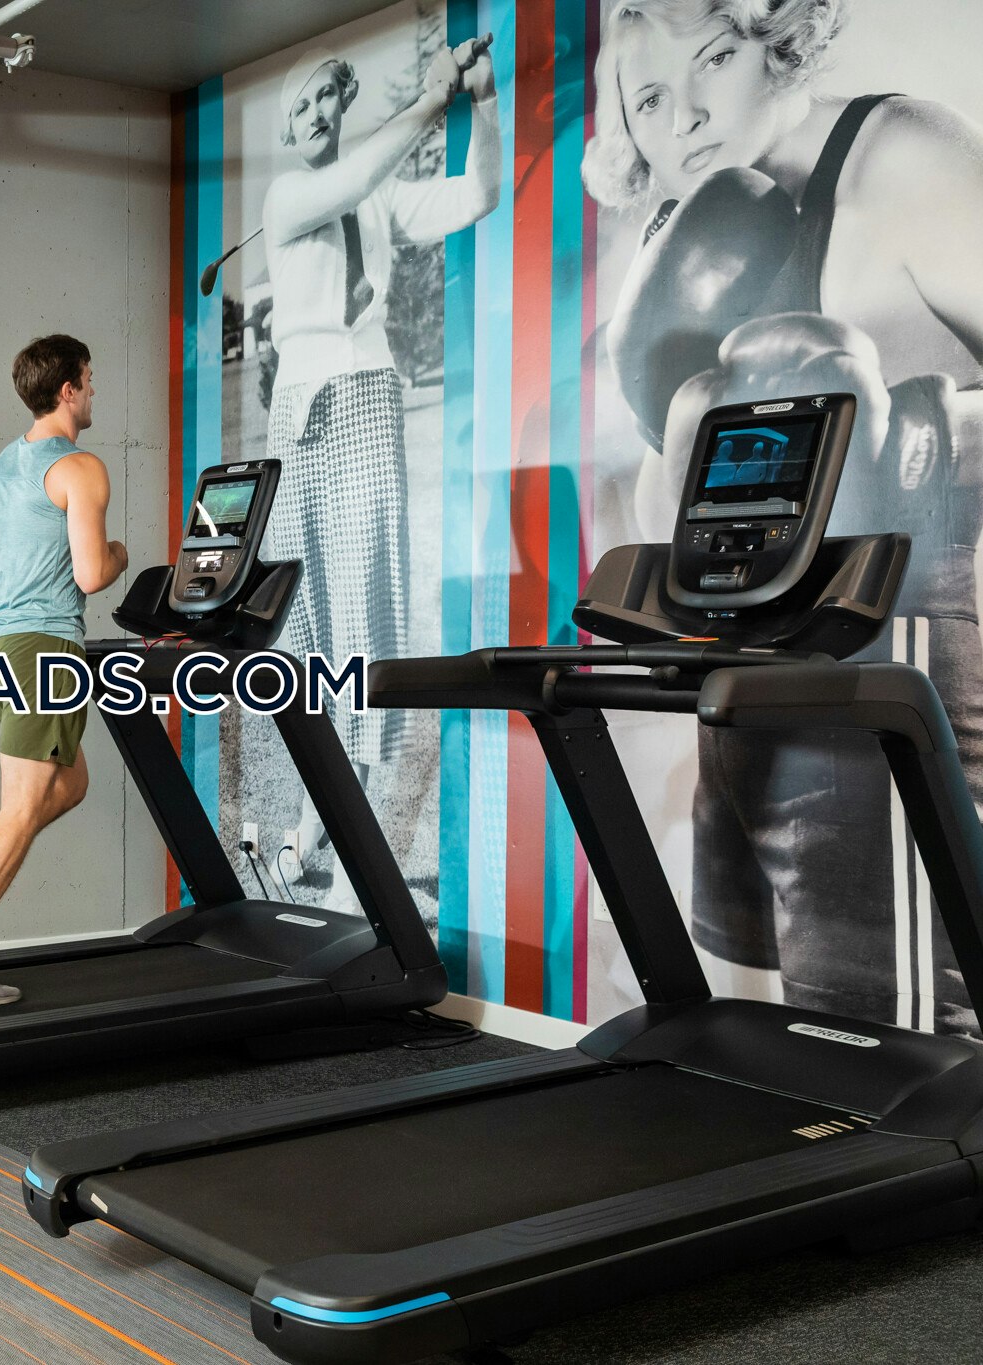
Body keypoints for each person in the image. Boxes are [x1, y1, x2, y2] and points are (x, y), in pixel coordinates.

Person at [586, 0, 983, 1032]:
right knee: (749, 1021)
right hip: (748, 681)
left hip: (888, 667)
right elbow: (666, 511)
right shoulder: (695, 231)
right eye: (648, 100)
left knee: (889, 1038)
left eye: (714, 58)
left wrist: (908, 429)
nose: (683, 117)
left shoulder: (897, 154)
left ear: (773, 44)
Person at [255, 32, 499, 894]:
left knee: (365, 623)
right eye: (303, 105)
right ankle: (317, 829)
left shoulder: (378, 189)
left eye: (329, 94)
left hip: (364, 396)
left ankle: (330, 844)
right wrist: (431, 100)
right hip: (297, 410)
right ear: (289, 127)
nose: (319, 112)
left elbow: (479, 194)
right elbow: (353, 180)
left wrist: (482, 104)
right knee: (303, 631)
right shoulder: (291, 194)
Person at [0, 335, 128, 1005]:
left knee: (71, 783)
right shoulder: (80, 468)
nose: (93, 389)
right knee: (24, 805)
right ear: (67, 390)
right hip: (46, 650)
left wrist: (15, 571)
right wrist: (121, 552)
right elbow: (92, 574)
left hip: (1, 648)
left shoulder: (4, 465)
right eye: (88, 378)